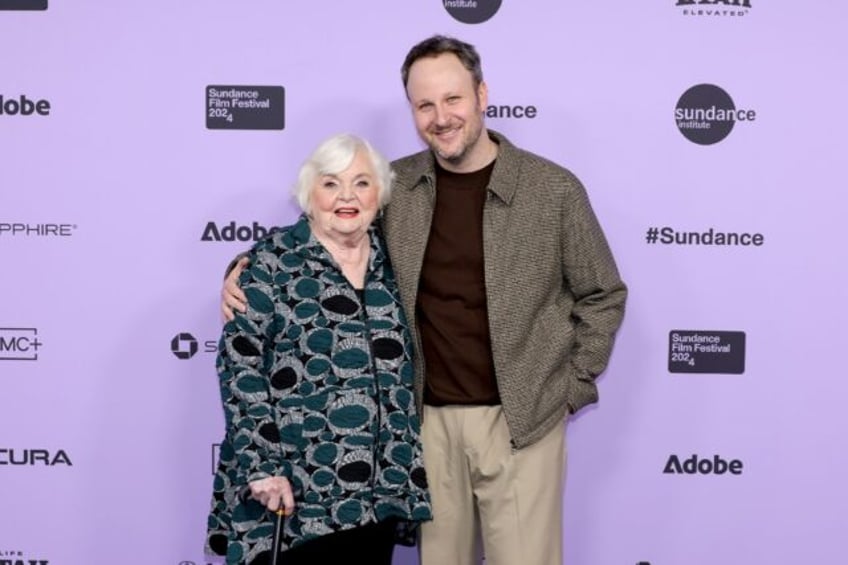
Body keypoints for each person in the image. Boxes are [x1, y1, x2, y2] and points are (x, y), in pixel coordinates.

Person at [222, 36, 627, 565]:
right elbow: (325, 232)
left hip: (522, 422)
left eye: (453, 99)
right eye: (424, 104)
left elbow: (603, 293)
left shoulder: (552, 190)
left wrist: (568, 389)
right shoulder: (397, 184)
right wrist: (241, 268)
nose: (441, 117)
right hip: (424, 426)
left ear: (482, 95)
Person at [205, 133, 432, 565]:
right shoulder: (271, 264)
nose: (347, 196)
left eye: (362, 183)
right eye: (331, 183)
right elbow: (240, 366)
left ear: (380, 194)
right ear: (308, 192)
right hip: (297, 494)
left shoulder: (396, 262)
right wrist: (262, 465)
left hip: (379, 491)